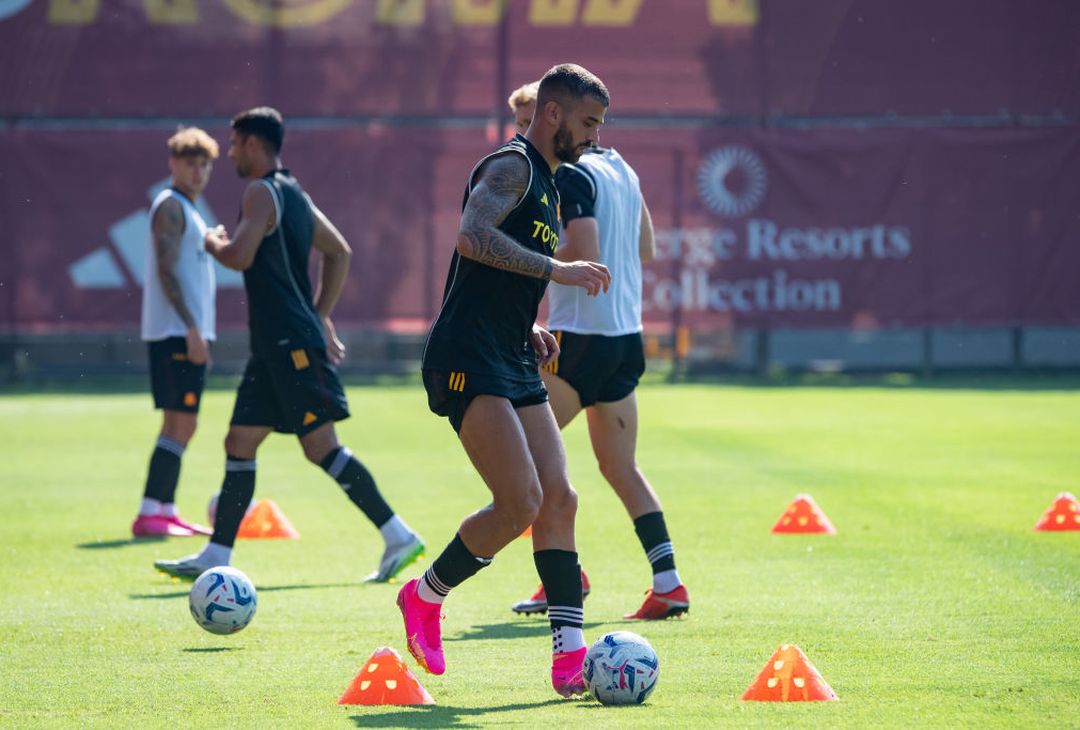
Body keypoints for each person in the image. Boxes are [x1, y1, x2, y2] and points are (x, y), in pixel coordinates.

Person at [397, 64, 611, 698]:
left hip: (510, 353)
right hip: (466, 354)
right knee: (519, 502)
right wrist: (558, 269)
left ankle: (570, 657)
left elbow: (504, 276)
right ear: (553, 114)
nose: (594, 137)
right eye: (589, 123)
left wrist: (529, 328)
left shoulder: (551, 180)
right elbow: (472, 237)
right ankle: (423, 595)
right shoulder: (513, 167)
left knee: (560, 499)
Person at [154, 107, 423, 583]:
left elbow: (238, 255)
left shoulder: (259, 192)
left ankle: (398, 535)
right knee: (239, 441)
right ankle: (217, 554)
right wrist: (320, 313)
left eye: (235, 144)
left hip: (289, 345)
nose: (231, 152)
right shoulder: (295, 193)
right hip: (275, 347)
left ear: (254, 144)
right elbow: (339, 250)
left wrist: (214, 242)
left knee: (322, 447)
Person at [507, 84, 690, 621]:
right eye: (518, 120)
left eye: (527, 119)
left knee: (523, 461)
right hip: (624, 341)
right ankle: (669, 582)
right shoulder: (623, 169)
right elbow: (646, 247)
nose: (522, 131)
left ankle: (565, 575)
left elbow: (583, 247)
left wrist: (517, 255)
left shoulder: (569, 173)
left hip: (578, 341)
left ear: (556, 117)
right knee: (621, 468)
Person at [133, 127, 219, 538]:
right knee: (179, 423)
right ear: (173, 163)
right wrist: (191, 329)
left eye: (204, 164)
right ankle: (150, 510)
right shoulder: (170, 206)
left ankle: (164, 508)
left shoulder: (192, 210)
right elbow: (167, 271)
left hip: (187, 332)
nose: (198, 171)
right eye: (190, 163)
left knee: (182, 423)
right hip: (176, 332)